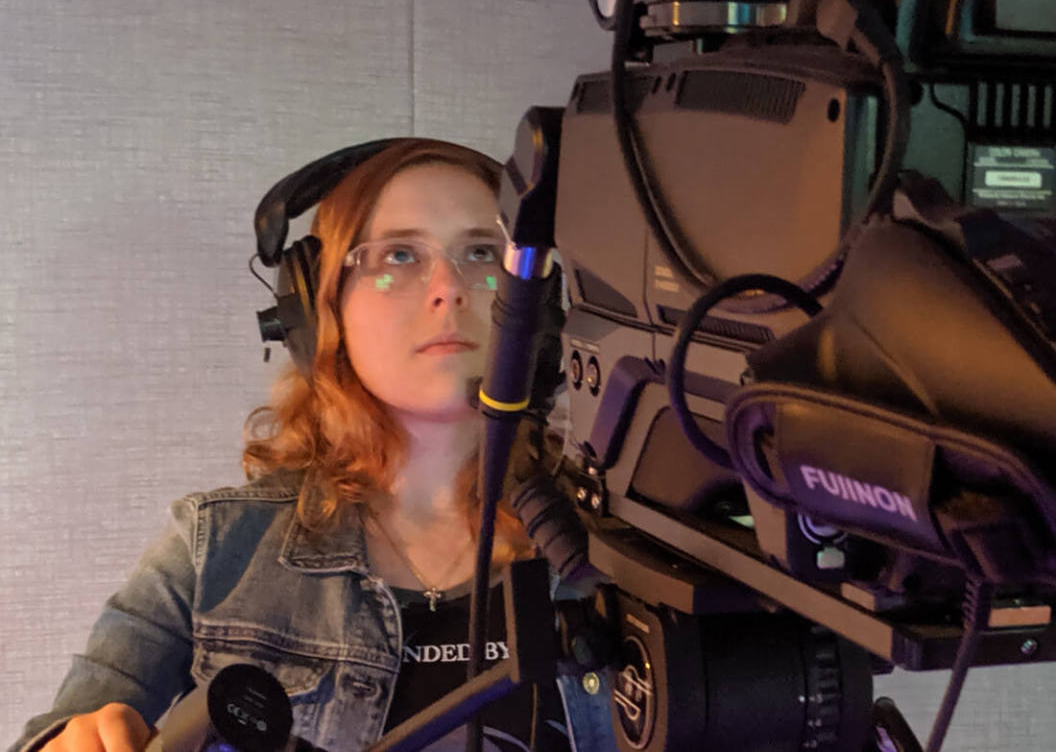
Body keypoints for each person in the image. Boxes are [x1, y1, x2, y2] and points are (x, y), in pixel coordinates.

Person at [9, 139, 614, 752]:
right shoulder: (213, 547)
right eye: (399, 255)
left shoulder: (623, 549)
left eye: (482, 252)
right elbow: (57, 734)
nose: (448, 289)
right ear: (317, 307)